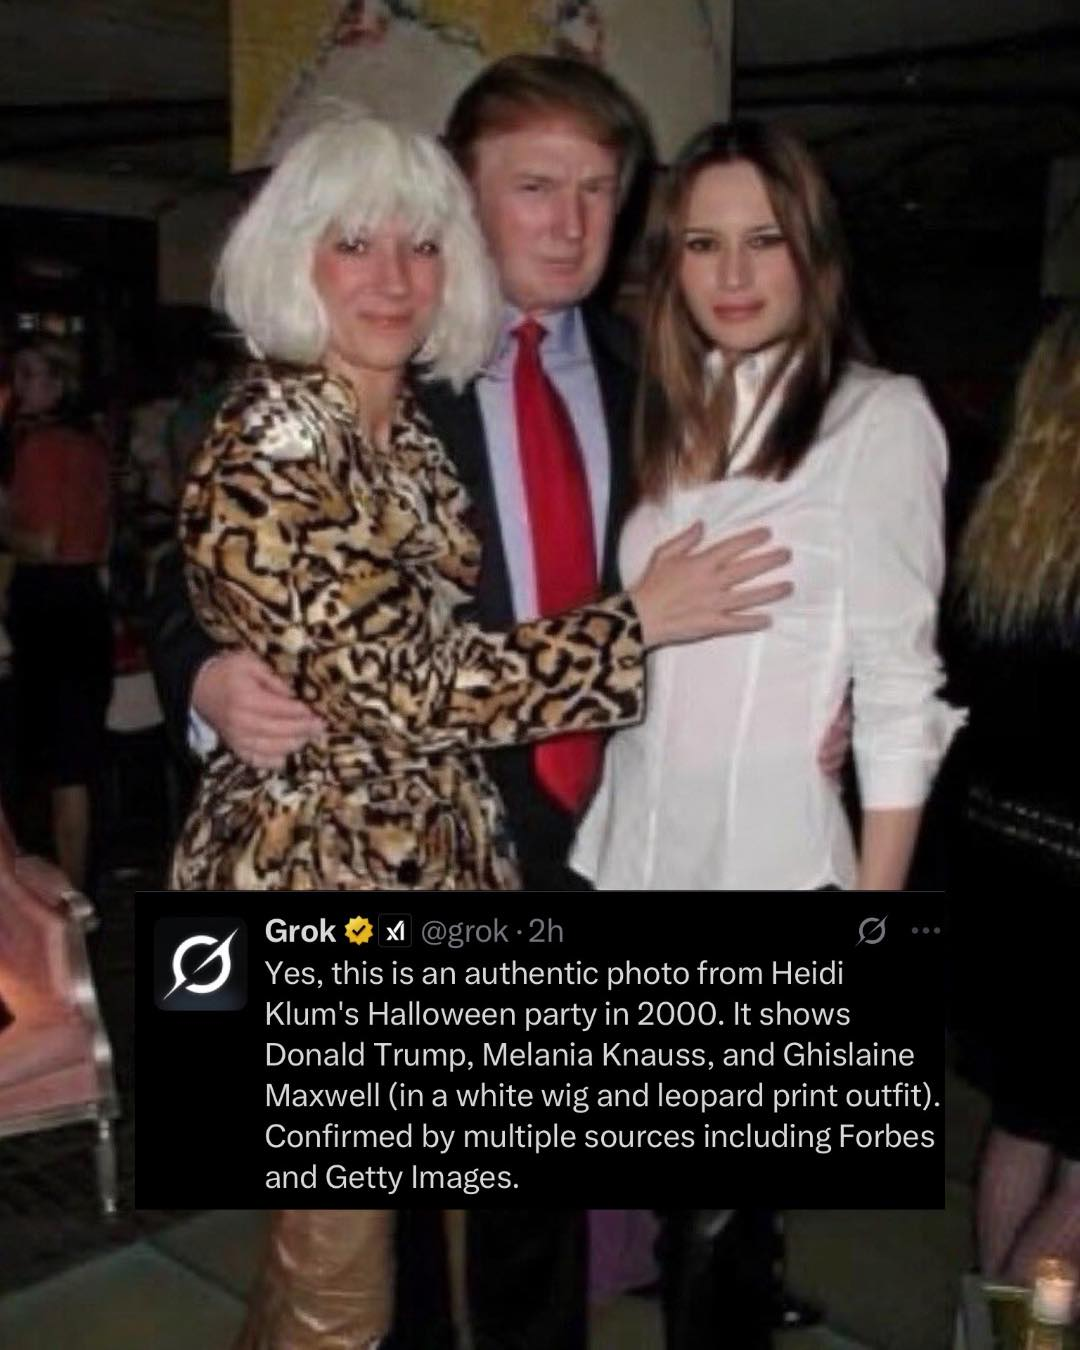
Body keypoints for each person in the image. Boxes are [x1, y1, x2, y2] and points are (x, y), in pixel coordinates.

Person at [149, 56, 800, 1350]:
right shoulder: (332, 388)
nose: (569, 222)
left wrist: (801, 706)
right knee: (357, 1254)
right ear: (471, 194)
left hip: (570, 839)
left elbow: (752, 574)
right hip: (350, 863)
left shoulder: (664, 376)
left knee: (517, 1218)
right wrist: (205, 677)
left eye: (598, 190)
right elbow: (215, 576)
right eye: (535, 186)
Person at [572, 119, 963, 893]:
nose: (733, 275)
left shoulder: (877, 419)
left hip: (773, 867)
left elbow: (898, 693)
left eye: (765, 239)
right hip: (626, 857)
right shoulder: (664, 415)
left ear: (812, 251)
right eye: (703, 244)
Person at [948, 306, 1080, 1284]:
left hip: (999, 880)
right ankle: (1018, 1342)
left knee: (1022, 1128)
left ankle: (986, 1331)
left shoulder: (998, 532)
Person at [0, 338, 112, 891]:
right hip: (85, 600)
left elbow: (42, 542)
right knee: (75, 764)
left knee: (53, 766)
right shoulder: (91, 443)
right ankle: (76, 896)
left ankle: (59, 900)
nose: (18, 387)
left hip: (49, 605)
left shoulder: (39, 448)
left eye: (30, 375)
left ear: (59, 383)